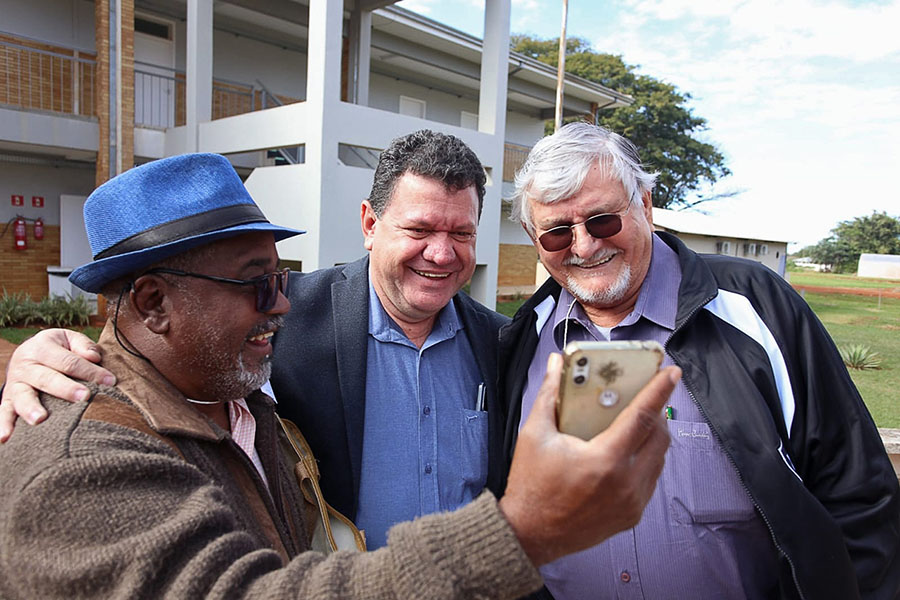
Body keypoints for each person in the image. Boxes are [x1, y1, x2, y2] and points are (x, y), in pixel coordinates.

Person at [0, 152, 679, 599]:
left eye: (462, 234)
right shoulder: (83, 454)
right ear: (369, 225)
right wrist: (522, 532)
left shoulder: (241, 392)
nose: (280, 303)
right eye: (255, 284)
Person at [0, 130, 506, 550]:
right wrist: (34, 357)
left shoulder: (500, 340)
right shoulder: (269, 322)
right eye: (419, 228)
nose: (441, 254)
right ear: (370, 225)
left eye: (462, 234)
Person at [498, 122, 900, 599]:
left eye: (603, 220)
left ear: (644, 205)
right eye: (558, 234)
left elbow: (858, 491)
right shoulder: (523, 336)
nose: (584, 246)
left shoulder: (755, 307)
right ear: (532, 236)